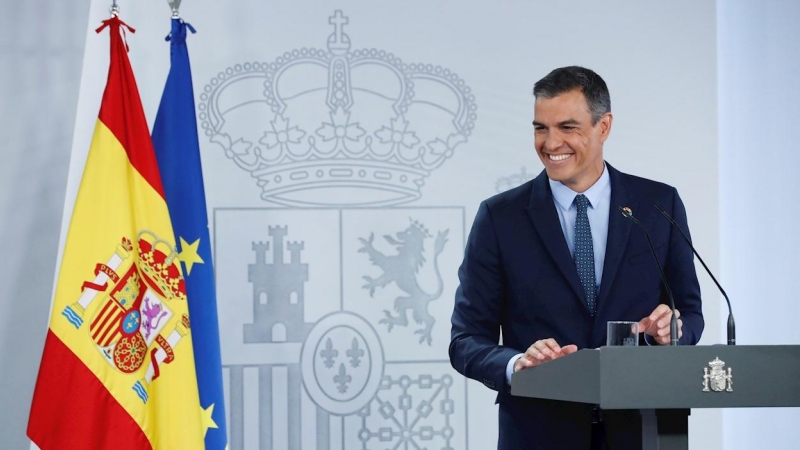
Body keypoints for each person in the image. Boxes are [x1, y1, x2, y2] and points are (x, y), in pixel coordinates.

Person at [449, 66, 704, 450]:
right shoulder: (500, 217)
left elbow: (690, 314)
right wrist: (517, 363)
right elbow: (466, 340)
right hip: (540, 431)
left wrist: (671, 333)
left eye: (567, 127)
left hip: (644, 429)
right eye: (540, 128)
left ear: (604, 126)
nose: (550, 143)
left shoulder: (658, 205)